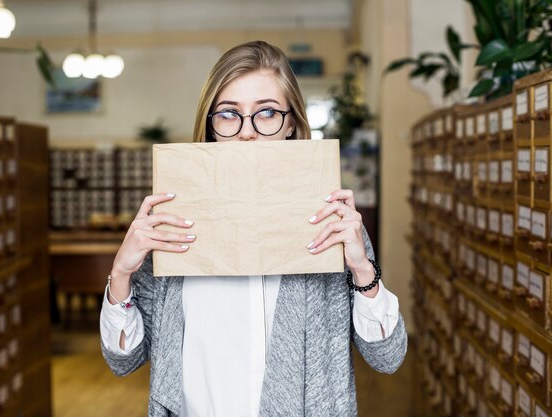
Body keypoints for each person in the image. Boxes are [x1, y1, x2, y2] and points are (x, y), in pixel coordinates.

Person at [100, 40, 407, 417]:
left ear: (291, 122)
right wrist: (121, 274)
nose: (247, 132)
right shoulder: (173, 220)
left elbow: (388, 357)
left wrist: (362, 269)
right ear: (210, 124)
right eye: (229, 114)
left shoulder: (331, 221)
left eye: (266, 113)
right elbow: (122, 361)